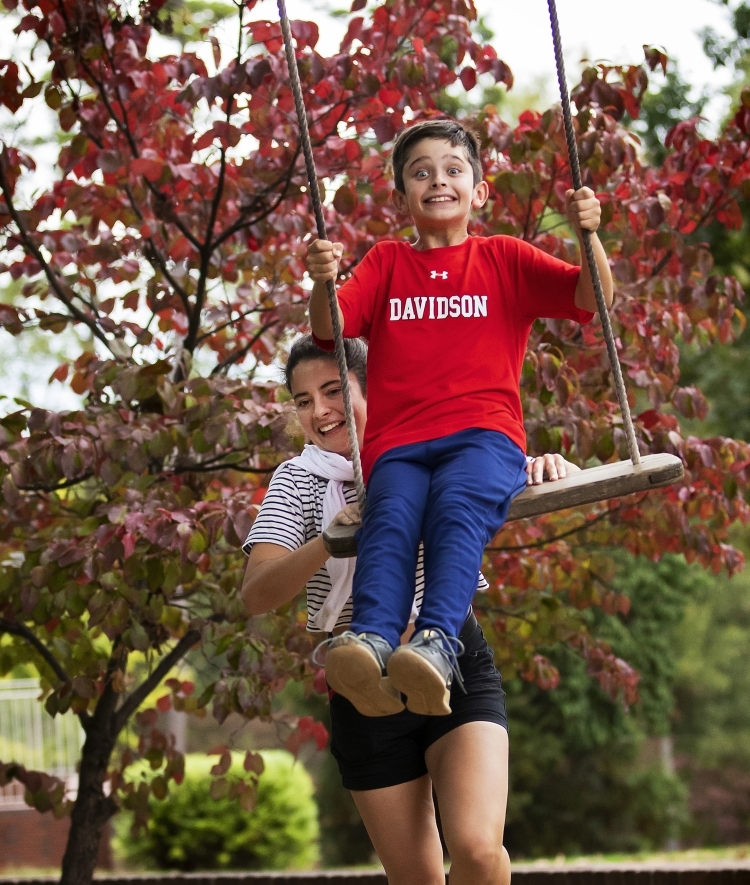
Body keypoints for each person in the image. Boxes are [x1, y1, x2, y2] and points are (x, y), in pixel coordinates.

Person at [241, 334, 580, 885]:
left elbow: (493, 466)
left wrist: (539, 464)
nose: (320, 411)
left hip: (450, 660)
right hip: (362, 687)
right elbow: (257, 593)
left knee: (477, 849)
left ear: (374, 387)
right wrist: (329, 539)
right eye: (303, 401)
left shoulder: (432, 448)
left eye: (333, 391)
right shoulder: (297, 481)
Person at [306, 117, 613, 718]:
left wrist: (590, 237)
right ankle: (371, 643)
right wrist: (321, 282)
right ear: (402, 199)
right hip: (398, 444)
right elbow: (328, 328)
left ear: (479, 192)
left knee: (454, 510)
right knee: (389, 519)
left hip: (484, 437)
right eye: (420, 173)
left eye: (452, 170)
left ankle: (437, 643)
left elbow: (592, 298)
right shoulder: (387, 263)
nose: (437, 181)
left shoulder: (503, 259)